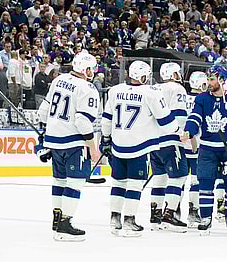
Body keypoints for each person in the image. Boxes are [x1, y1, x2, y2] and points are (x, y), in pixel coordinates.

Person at [101, 60, 179, 237]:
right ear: (143, 75)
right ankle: (129, 220)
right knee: (135, 185)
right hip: (139, 147)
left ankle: (115, 219)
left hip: (118, 145)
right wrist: (178, 131)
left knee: (118, 183)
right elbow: (165, 121)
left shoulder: (115, 90)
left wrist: (106, 139)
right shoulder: (151, 93)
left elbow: (106, 119)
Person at [36, 51, 101, 241]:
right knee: (75, 182)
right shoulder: (88, 88)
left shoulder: (59, 80)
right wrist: (92, 147)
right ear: (86, 69)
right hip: (74, 143)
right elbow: (82, 121)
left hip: (54, 141)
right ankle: (65, 223)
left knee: (59, 180)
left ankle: (57, 217)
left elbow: (42, 113)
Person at [183, 65, 227, 236]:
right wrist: (189, 130)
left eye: (212, 79)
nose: (209, 82)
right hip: (207, 148)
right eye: (208, 79)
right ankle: (205, 218)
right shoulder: (202, 98)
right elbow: (195, 116)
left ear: (221, 80)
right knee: (205, 183)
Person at [148, 62, 190, 232]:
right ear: (173, 74)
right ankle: (169, 214)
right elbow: (179, 115)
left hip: (153, 141)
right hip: (171, 139)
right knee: (179, 176)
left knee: (159, 176)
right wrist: (183, 133)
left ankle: (155, 215)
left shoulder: (153, 89)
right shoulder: (177, 89)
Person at [182, 71, 207, 227]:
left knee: (178, 181)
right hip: (196, 145)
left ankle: (173, 210)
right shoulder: (203, 100)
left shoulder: (182, 98)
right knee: (196, 181)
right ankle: (193, 212)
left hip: (180, 144)